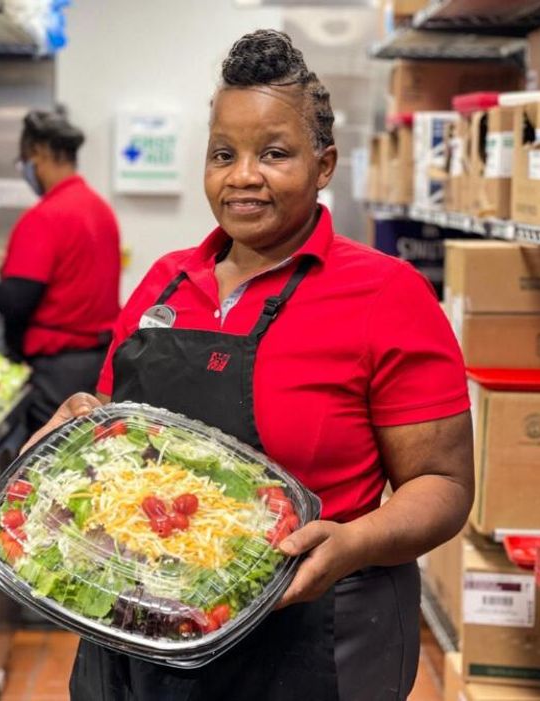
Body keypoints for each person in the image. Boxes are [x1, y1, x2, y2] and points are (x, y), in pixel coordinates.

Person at [25, 30, 473, 700]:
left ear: (323, 165)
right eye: (222, 154)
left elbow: (441, 484)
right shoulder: (162, 285)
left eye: (273, 153)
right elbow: (115, 448)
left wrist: (352, 542)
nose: (242, 175)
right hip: (141, 632)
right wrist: (63, 444)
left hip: (305, 638)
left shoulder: (386, 293)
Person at [0, 110, 121, 433]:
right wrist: (10, 263)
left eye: (24, 159)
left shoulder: (44, 217)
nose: (25, 169)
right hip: (99, 361)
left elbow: (16, 301)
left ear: (40, 154)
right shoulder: (98, 208)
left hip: (58, 370)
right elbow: (70, 269)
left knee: (50, 463)